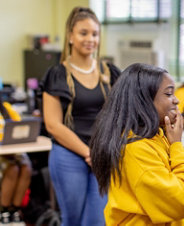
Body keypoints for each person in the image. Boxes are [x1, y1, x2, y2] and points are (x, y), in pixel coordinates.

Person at [90, 63, 184, 225]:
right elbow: (180, 202)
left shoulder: (158, 135)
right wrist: (177, 146)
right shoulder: (136, 148)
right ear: (144, 100)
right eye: (168, 94)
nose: (176, 100)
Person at [41, 7, 120, 225]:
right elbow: (53, 124)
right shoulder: (56, 75)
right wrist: (87, 152)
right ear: (70, 36)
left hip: (102, 155)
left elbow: (120, 113)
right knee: (73, 220)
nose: (90, 39)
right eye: (83, 33)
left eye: (94, 34)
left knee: (97, 220)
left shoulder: (110, 72)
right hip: (68, 155)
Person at [0, 96, 32, 224]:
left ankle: (15, 209)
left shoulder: (6, 106)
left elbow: (19, 126)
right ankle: (4, 210)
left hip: (11, 149)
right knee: (13, 168)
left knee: (26, 167)